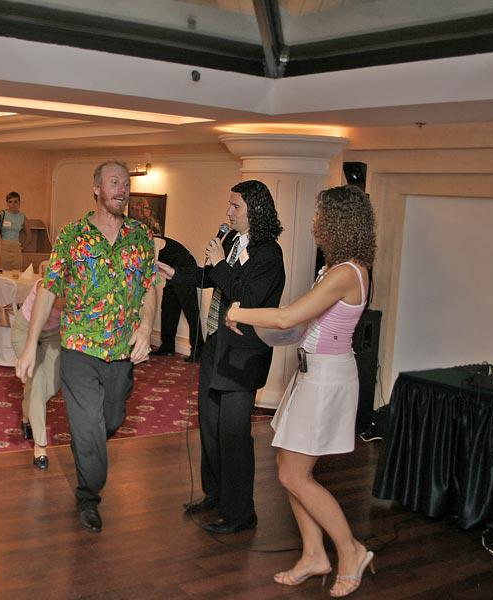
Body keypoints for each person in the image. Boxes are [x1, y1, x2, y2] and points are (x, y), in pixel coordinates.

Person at [224, 185, 376, 598]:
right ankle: (313, 555)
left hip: (326, 380)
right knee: (289, 471)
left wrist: (239, 312)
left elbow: (288, 316)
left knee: (295, 475)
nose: (314, 221)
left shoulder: (347, 273)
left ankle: (351, 550)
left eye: (320, 214)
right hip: (311, 375)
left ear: (339, 222)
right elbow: (301, 326)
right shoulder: (336, 268)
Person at [16, 161, 157, 533]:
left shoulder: (141, 236)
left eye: (126, 184)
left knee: (111, 420)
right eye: (114, 182)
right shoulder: (72, 235)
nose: (122, 190)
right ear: (97, 189)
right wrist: (30, 345)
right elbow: (49, 289)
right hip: (79, 346)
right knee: (87, 427)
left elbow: (149, 287)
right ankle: (88, 496)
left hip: (122, 351)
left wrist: (146, 326)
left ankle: (87, 446)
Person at [157, 180, 285, 535]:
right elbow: (211, 277)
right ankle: (215, 495)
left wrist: (218, 263)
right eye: (229, 205)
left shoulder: (269, 254)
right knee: (210, 427)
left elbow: (248, 297)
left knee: (233, 435)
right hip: (216, 344)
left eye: (236, 206)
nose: (228, 212)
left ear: (255, 210)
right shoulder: (230, 241)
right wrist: (178, 274)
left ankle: (241, 512)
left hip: (243, 355)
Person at [10, 281, 63, 469]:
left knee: (53, 384)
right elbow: (59, 302)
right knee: (38, 381)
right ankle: (40, 446)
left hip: (54, 334)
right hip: (26, 330)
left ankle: (26, 414)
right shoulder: (46, 284)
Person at [151, 235, 202, 361]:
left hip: (185, 268)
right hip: (172, 271)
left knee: (191, 312)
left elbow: (153, 265)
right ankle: (167, 347)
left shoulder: (154, 241)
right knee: (168, 309)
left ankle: (199, 351)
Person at [0, 191, 30, 270]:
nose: (13, 204)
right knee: (1, 272)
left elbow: (29, 236)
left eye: (15, 201)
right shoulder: (2, 214)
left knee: (16, 273)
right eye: (10, 202)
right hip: (2, 248)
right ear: (7, 203)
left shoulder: (23, 217)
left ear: (19, 202)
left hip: (16, 249)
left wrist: (21, 248)